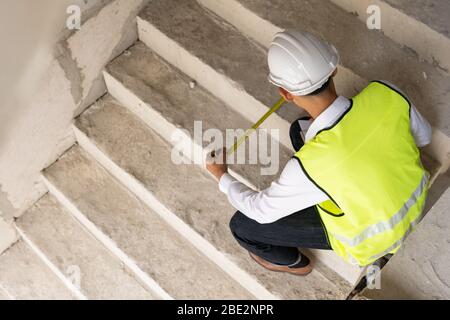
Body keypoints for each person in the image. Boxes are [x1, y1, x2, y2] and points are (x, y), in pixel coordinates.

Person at [206, 30, 432, 275]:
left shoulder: (307, 167)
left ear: (285, 93)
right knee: (299, 130)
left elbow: (261, 210)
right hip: (418, 200)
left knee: (242, 226)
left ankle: (296, 264)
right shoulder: (386, 92)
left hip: (374, 241)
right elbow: (424, 137)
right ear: (333, 69)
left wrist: (222, 177)